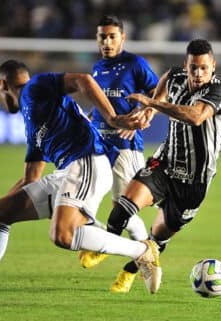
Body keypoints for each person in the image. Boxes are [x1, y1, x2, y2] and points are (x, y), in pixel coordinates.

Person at [0, 60, 162, 306]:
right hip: (67, 172)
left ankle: (142, 251)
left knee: (62, 235)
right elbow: (30, 178)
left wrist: (114, 118)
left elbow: (84, 80)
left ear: (2, 84)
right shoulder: (31, 121)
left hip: (88, 161)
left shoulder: (35, 86)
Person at [84, 39, 221, 293]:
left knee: (157, 237)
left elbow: (196, 117)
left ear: (213, 66)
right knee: (124, 205)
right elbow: (161, 88)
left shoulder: (218, 91)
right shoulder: (174, 76)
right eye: (193, 67)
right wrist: (147, 112)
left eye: (204, 68)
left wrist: (152, 104)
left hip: (194, 182)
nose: (198, 73)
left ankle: (129, 273)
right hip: (165, 162)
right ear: (185, 65)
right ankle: (103, 246)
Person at [79, 15, 159, 269]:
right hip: (99, 145)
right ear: (97, 38)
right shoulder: (96, 68)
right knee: (83, 198)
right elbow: (102, 105)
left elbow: (158, 91)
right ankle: (104, 241)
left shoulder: (135, 64)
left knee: (122, 207)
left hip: (125, 145)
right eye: (103, 36)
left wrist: (146, 112)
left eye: (112, 36)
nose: (107, 41)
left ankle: (144, 257)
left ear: (122, 38)